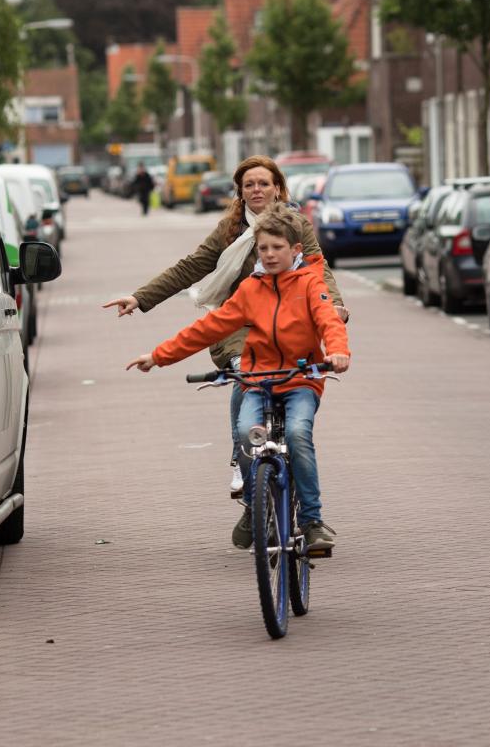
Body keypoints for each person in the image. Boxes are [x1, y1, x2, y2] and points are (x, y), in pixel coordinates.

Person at [103, 155, 348, 535]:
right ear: (240, 191)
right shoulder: (231, 230)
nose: (256, 191)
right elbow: (191, 268)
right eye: (249, 185)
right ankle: (244, 457)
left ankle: (310, 518)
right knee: (240, 369)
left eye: (263, 184)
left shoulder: (295, 227)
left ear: (277, 188)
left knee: (296, 432)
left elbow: (318, 269)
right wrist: (141, 299)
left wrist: (334, 308)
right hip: (241, 318)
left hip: (290, 322)